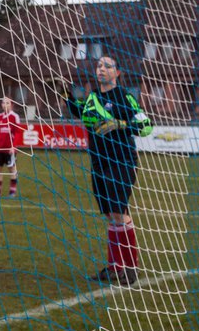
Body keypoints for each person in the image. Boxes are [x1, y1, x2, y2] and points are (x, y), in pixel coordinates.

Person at [60, 56, 153, 285]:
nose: (101, 69)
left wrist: (120, 124)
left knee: (120, 212)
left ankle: (130, 268)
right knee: (111, 216)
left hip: (121, 162)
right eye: (99, 66)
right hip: (99, 162)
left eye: (108, 66)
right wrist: (64, 93)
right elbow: (81, 112)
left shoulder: (125, 97)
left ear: (117, 73)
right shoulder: (93, 97)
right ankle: (114, 267)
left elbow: (146, 126)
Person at [0, 96, 23, 197]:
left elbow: (18, 133)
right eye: (3, 103)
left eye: (7, 103)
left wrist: (13, 146)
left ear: (12, 105)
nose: (5, 105)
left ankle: (12, 191)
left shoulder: (15, 117)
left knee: (11, 169)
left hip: (9, 149)